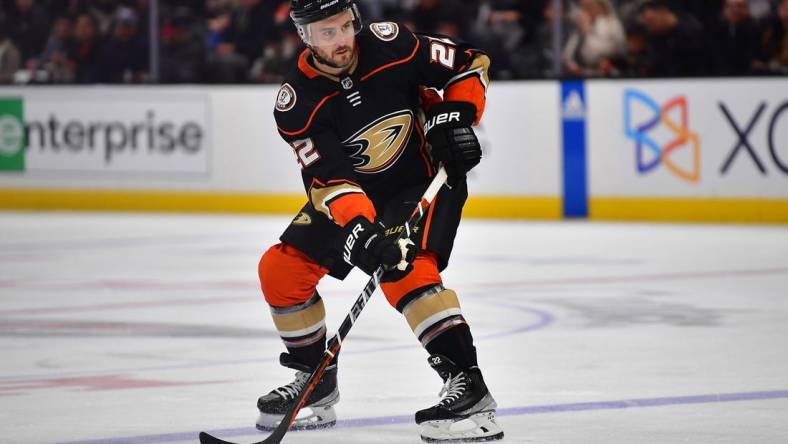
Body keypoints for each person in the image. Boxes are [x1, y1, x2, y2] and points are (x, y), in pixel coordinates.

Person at [256, 0, 502, 442]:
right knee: (281, 269)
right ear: (305, 37)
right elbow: (331, 181)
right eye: (326, 33)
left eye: (345, 27)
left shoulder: (393, 44)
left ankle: (470, 388)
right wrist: (361, 230)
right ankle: (315, 381)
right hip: (354, 194)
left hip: (423, 177)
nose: (341, 40)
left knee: (404, 268)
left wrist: (458, 116)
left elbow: (470, 63)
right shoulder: (296, 104)